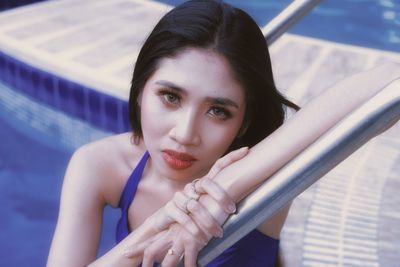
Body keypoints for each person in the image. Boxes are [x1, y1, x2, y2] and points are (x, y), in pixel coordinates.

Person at [47, 0, 400, 266]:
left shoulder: (262, 173)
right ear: (141, 89)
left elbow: (390, 83)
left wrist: (222, 190)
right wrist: (157, 225)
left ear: (244, 121)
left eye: (218, 111)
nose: (185, 134)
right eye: (170, 97)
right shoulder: (100, 165)